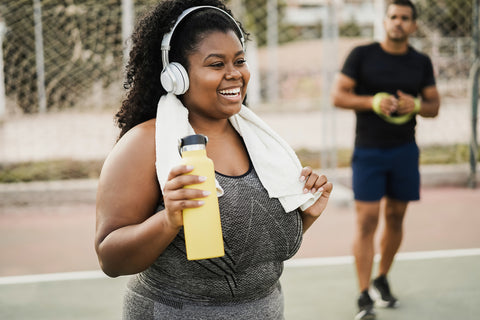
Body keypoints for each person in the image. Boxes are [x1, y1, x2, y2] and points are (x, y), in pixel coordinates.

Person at [94, 0, 333, 319]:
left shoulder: (259, 142)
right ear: (176, 75)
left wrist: (306, 215)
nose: (234, 74)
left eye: (240, 61)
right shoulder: (144, 144)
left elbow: (250, 251)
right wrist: (168, 221)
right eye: (216, 64)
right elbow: (110, 259)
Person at [331, 1, 440, 319]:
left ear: (413, 26)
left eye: (405, 18)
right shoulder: (362, 54)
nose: (399, 23)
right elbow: (338, 96)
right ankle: (363, 293)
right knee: (367, 221)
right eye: (393, 17)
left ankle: (381, 277)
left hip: (405, 150)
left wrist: (415, 105)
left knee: (395, 218)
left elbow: (434, 106)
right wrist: (373, 101)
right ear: (385, 21)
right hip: (368, 151)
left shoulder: (420, 62)